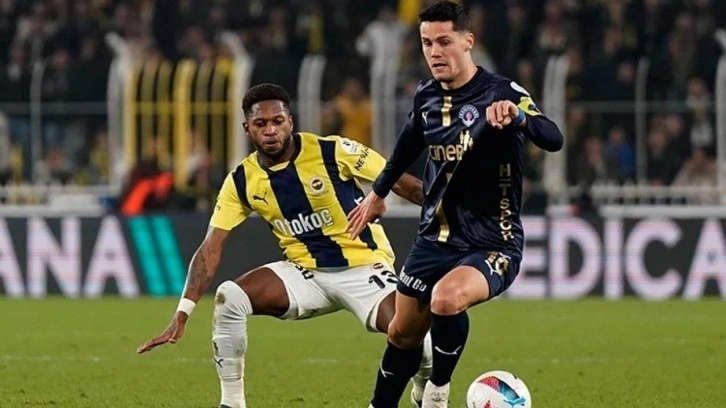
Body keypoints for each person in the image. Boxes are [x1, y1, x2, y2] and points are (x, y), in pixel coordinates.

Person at [137, 83, 433, 408]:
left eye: (277, 121)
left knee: (416, 338)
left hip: (363, 268)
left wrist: (457, 216)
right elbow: (210, 247)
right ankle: (231, 403)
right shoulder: (241, 180)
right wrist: (183, 312)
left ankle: (422, 388)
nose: (270, 131)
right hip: (305, 275)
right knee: (229, 297)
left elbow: (407, 186)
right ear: (247, 129)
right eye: (260, 124)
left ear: (290, 121)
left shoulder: (334, 151)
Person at [346, 2, 564, 407]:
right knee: (402, 333)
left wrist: (519, 117)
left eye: (444, 41)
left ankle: (438, 390)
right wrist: (378, 192)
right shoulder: (426, 95)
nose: (434, 52)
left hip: (492, 241)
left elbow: (553, 137)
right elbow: (407, 146)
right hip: (434, 238)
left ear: (468, 42)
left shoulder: (502, 92)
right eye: (427, 42)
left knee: (446, 299)